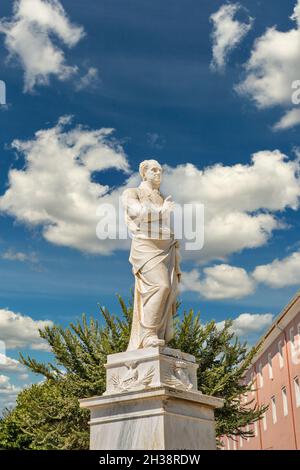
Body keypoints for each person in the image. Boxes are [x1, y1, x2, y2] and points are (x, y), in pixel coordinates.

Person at [122, 159, 181, 350]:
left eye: (160, 170)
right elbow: (136, 212)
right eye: (154, 170)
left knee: (168, 289)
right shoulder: (133, 193)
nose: (158, 173)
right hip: (145, 246)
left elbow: (160, 223)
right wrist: (161, 211)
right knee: (160, 286)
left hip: (164, 246)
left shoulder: (161, 197)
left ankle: (157, 333)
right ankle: (148, 335)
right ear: (144, 173)